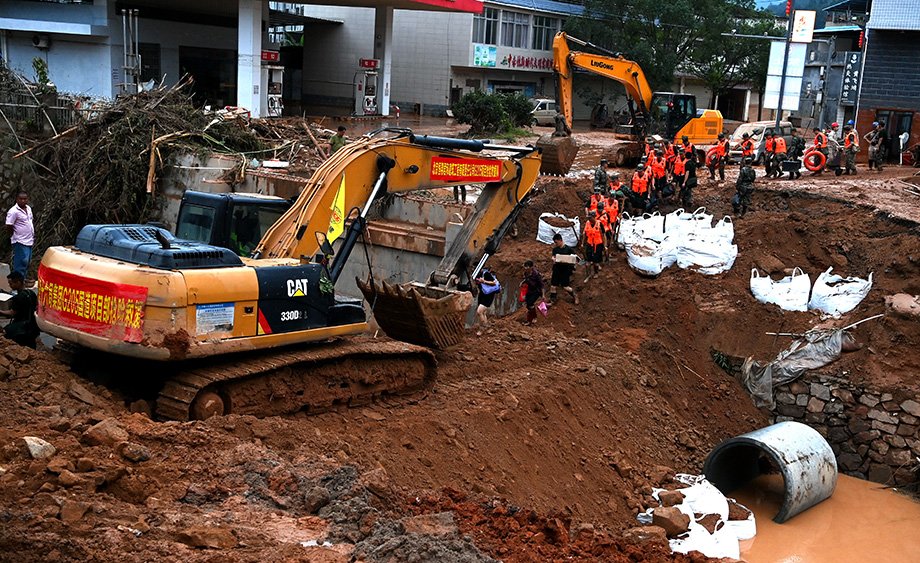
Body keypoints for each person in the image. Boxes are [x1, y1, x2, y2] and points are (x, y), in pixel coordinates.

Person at [1, 271, 39, 349]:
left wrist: (1, 312)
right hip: (32, 326)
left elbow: (12, 313)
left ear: (18, 282)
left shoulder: (18, 298)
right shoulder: (31, 293)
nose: (9, 285)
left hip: (21, 329)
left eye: (11, 283)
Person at [6, 191, 34, 279]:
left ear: (27, 200)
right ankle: (15, 285)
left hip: (29, 240)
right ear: (17, 200)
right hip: (19, 240)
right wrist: (14, 235)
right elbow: (9, 225)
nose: (23, 201)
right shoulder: (13, 211)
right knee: (21, 262)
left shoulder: (28, 208)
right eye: (20, 199)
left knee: (26, 262)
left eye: (24, 199)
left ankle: (22, 282)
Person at [549, 233, 578, 305]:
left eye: (556, 242)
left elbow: (575, 258)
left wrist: (573, 265)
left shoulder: (568, 249)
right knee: (553, 286)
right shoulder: (555, 249)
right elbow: (553, 256)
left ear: (560, 240)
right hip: (556, 269)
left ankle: (575, 295)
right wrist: (553, 259)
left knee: (565, 287)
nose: (556, 244)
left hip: (565, 270)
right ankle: (553, 300)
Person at [474, 268, 499, 334]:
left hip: (489, 295)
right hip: (482, 294)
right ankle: (486, 329)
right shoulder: (475, 275)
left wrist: (484, 281)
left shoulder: (486, 274)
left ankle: (484, 328)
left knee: (479, 312)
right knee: (483, 313)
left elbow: (494, 283)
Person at [520, 260, 544, 326]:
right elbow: (526, 279)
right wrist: (523, 282)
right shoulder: (526, 273)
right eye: (525, 267)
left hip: (536, 291)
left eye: (527, 267)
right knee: (528, 305)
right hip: (529, 290)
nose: (525, 268)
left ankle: (529, 320)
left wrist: (543, 295)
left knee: (530, 304)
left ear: (531, 267)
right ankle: (533, 316)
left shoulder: (536, 274)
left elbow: (541, 285)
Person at [582, 212, 604, 281]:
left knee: (596, 262)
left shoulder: (599, 224)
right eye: (588, 218)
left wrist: (605, 245)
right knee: (588, 262)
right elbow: (584, 234)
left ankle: (596, 272)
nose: (589, 219)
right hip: (589, 244)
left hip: (598, 245)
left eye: (590, 218)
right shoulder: (587, 223)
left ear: (594, 217)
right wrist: (583, 243)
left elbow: (603, 235)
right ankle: (588, 274)